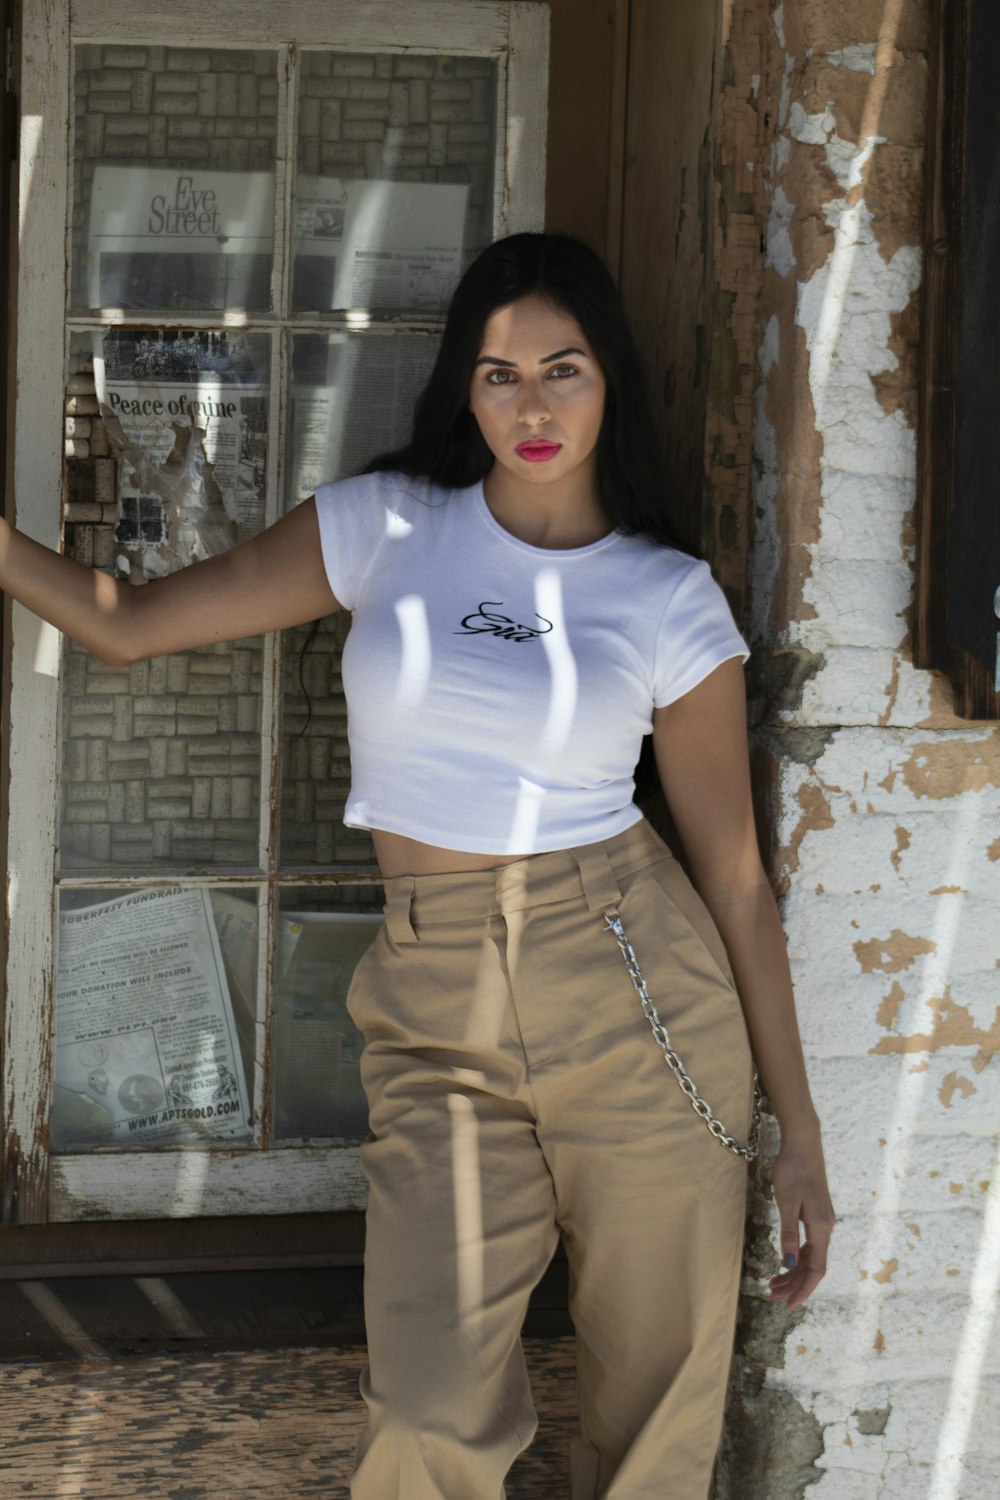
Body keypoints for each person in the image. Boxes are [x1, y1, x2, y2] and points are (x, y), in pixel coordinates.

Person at [0, 232, 834, 1498]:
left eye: (563, 368)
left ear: (611, 380)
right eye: (499, 375)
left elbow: (734, 883)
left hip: (633, 979)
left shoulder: (664, 597)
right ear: (463, 388)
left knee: (656, 1415)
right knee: (426, 1413)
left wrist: (802, 1133)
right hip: (438, 996)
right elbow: (130, 627)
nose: (533, 406)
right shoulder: (386, 525)